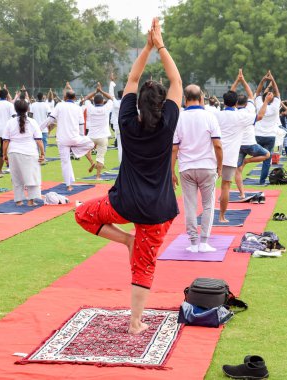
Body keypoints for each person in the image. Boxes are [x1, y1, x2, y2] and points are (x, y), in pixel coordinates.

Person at [75, 18, 182, 334]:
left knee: (82, 214)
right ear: (164, 105)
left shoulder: (126, 122)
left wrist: (147, 47)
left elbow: (133, 78)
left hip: (124, 203)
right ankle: (135, 322)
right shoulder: (167, 125)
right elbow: (176, 81)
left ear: (136, 105)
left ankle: (126, 241)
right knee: (145, 265)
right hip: (158, 210)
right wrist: (160, 45)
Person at [172, 84, 222, 252]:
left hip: (186, 168)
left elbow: (174, 148)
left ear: (184, 100)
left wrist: (171, 171)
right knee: (208, 204)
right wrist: (219, 166)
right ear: (201, 98)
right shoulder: (210, 116)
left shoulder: (178, 118)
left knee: (190, 205)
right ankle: (204, 242)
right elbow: (218, 145)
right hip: (207, 166)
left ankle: (193, 242)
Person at [215, 70, 257, 222]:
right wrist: (242, 81)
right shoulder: (241, 116)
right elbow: (253, 102)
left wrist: (236, 81)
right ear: (237, 103)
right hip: (230, 157)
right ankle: (221, 216)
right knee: (225, 186)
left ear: (223, 101)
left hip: (214, 155)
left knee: (208, 188)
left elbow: (229, 96)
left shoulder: (217, 114)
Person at [40, 86, 94, 191]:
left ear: (65, 97)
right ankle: (74, 151)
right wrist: (81, 137)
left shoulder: (60, 105)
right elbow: (81, 125)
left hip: (62, 140)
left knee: (65, 162)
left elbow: (50, 120)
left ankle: (69, 186)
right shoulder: (78, 108)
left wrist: (38, 129)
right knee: (91, 143)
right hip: (75, 139)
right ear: (74, 98)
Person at [232, 72, 271, 198]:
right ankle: (247, 161)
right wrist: (243, 81)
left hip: (238, 145)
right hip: (250, 144)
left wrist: (237, 81)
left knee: (238, 171)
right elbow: (251, 94)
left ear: (235, 103)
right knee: (267, 154)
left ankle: (242, 194)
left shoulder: (232, 112)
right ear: (246, 102)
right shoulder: (250, 109)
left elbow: (231, 94)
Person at [2, 100, 45, 206]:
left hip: (14, 152)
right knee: (32, 177)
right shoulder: (32, 122)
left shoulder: (10, 122)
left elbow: (6, 141)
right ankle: (31, 201)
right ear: (27, 109)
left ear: (15, 109)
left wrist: (4, 154)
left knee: (17, 178)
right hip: (30, 152)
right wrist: (43, 153)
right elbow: (39, 140)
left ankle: (19, 201)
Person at [254, 71, 281, 185]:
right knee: (267, 160)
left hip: (258, 136)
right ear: (272, 98)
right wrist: (273, 80)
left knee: (255, 156)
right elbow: (277, 91)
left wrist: (263, 80)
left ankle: (244, 162)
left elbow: (258, 91)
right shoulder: (275, 106)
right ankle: (261, 181)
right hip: (270, 136)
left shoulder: (259, 104)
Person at [84, 82, 113, 179]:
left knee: (85, 150)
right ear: (102, 101)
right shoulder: (106, 108)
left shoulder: (91, 108)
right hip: (103, 137)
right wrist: (101, 91)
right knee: (100, 157)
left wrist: (95, 91)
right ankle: (98, 176)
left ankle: (92, 162)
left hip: (91, 135)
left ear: (94, 101)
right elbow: (111, 98)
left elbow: (86, 98)